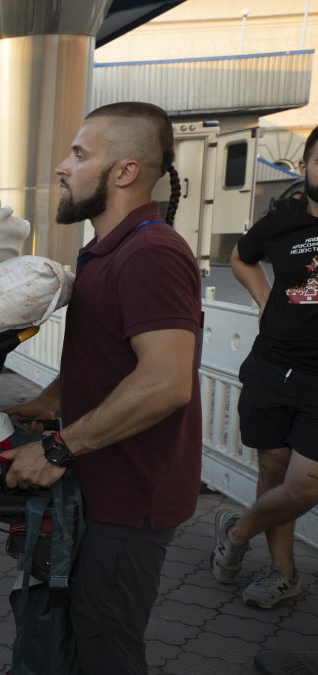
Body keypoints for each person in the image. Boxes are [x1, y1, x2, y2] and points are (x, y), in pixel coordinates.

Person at [1, 102, 201, 674]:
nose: (64, 166)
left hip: (130, 496)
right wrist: (52, 399)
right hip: (102, 484)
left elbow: (164, 382)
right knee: (76, 639)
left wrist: (58, 449)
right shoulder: (105, 252)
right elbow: (116, 351)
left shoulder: (150, 254)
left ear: (125, 172)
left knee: (106, 648)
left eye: (80, 154)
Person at [211, 125, 318, 608]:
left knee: (306, 483)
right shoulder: (285, 221)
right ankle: (283, 574)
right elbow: (241, 257)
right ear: (305, 168)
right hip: (275, 363)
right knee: (273, 469)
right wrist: (263, 298)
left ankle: (238, 530)